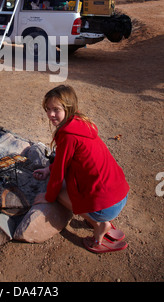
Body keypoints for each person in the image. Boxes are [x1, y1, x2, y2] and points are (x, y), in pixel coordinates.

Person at [33, 84, 129, 254]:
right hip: (119, 195)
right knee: (68, 185)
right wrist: (48, 169)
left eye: (55, 109)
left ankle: (100, 225)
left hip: (108, 207)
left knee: (60, 192)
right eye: (47, 109)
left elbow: (59, 173)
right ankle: (102, 219)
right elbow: (66, 161)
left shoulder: (69, 136)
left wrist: (48, 197)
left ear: (68, 108)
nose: (50, 114)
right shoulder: (81, 124)